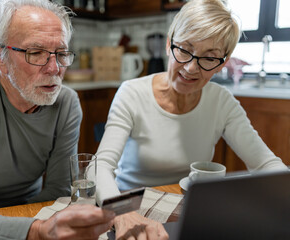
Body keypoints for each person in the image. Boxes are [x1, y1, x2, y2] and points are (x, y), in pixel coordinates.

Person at [92, 0, 289, 239]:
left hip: (187, 210)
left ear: (222, 63)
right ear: (168, 44)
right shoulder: (132, 93)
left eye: (209, 58)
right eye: (184, 50)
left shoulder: (221, 101)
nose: (192, 68)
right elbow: (100, 165)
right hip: (130, 205)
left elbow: (266, 164)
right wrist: (120, 212)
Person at [0, 0, 115, 239]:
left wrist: (35, 227)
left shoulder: (66, 104)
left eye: (61, 53)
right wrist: (34, 231)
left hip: (36, 213)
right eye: (36, 53)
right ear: (0, 58)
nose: (53, 68)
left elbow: (57, 191)